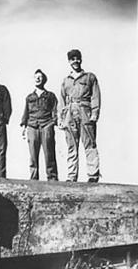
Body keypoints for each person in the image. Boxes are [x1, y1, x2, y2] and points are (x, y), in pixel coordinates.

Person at [59, 49, 101, 182]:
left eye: (77, 58)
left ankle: (93, 175)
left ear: (81, 60)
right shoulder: (66, 80)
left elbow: (95, 96)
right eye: (72, 59)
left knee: (89, 143)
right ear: (69, 62)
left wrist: (95, 113)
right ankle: (71, 176)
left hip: (85, 111)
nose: (75, 61)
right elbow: (62, 100)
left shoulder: (89, 77)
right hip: (70, 113)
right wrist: (61, 118)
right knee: (71, 145)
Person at [20, 69, 58, 181]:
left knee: (49, 153)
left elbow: (55, 110)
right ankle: (33, 179)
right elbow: (25, 112)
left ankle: (52, 179)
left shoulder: (50, 95)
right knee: (33, 155)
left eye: (40, 77)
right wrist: (23, 126)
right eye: (36, 76)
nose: (38, 78)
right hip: (32, 126)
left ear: (44, 79)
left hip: (46, 125)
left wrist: (53, 122)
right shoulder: (29, 97)